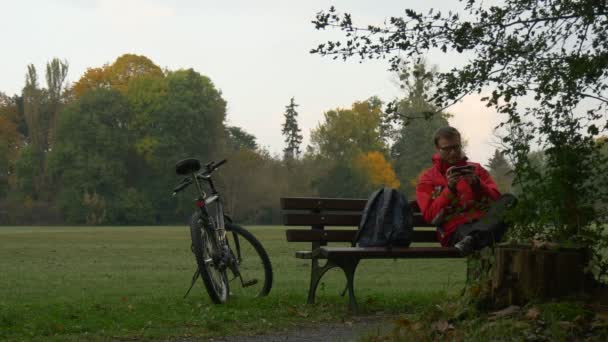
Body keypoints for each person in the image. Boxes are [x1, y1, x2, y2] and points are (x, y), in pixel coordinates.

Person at [415, 126, 516, 255]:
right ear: (437, 149)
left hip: (483, 222)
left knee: (509, 200)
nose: (453, 152)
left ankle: (474, 239)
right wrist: (449, 189)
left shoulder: (476, 169)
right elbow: (429, 216)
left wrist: (477, 184)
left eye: (456, 147)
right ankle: (475, 239)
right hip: (455, 229)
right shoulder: (428, 179)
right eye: (447, 149)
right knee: (482, 235)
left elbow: (497, 200)